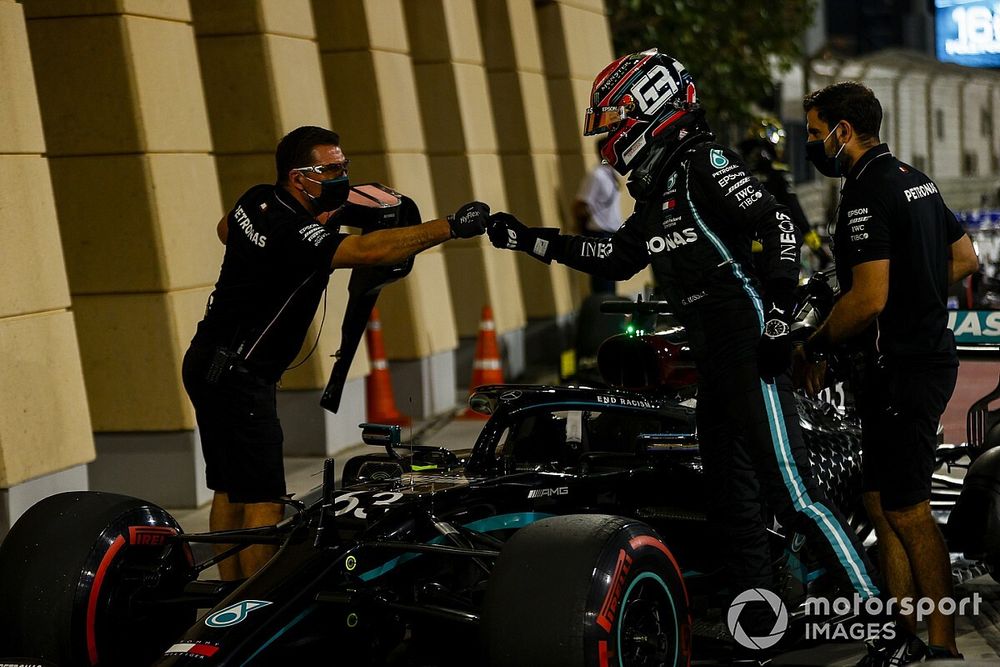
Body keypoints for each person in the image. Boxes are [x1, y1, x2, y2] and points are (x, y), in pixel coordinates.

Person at [486, 49, 879, 663]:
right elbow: (614, 259)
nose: (610, 140)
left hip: (751, 351)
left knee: (795, 497)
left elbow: (775, 224)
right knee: (733, 502)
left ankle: (875, 622)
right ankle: (762, 626)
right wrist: (525, 238)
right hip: (717, 363)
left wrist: (777, 314)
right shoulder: (663, 186)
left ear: (651, 109)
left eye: (615, 122)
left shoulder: (703, 162)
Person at [182, 126, 489, 580]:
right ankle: (252, 615)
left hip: (206, 362)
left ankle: (223, 605)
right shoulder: (293, 232)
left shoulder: (256, 200)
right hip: (240, 377)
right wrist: (450, 227)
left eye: (344, 167)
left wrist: (318, 218)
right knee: (263, 500)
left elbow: (226, 230)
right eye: (331, 169)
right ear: (298, 177)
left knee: (232, 492)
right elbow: (366, 250)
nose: (342, 176)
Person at [797, 82, 980, 664]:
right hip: (912, 362)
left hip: (904, 370)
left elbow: (866, 298)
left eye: (812, 130)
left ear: (841, 131)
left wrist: (815, 344)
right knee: (879, 501)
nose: (810, 141)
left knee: (908, 508)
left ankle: (943, 643)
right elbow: (965, 258)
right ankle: (900, 634)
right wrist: (918, 295)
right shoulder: (912, 176)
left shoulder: (866, 192)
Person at [738, 116, 831, 274]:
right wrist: (817, 249)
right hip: (770, 250)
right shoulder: (778, 173)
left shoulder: (736, 171)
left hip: (739, 251)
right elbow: (795, 211)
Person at [572, 137, 624, 293]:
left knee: (611, 278)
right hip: (599, 234)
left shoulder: (610, 173)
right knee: (603, 283)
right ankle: (603, 316)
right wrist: (580, 227)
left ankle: (611, 315)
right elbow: (580, 204)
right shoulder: (596, 175)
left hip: (611, 234)